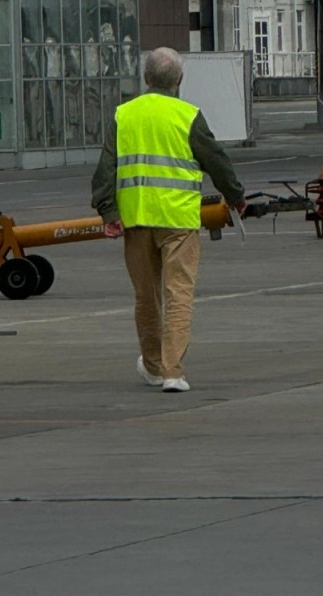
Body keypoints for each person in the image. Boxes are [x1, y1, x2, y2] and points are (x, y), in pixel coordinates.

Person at [91, 47, 246, 393]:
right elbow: (216, 160)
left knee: (146, 297)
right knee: (179, 295)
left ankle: (153, 366)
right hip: (178, 220)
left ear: (146, 78)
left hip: (136, 219)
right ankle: (173, 372)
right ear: (179, 80)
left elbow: (106, 169)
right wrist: (235, 196)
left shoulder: (124, 115)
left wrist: (108, 213)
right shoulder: (188, 116)